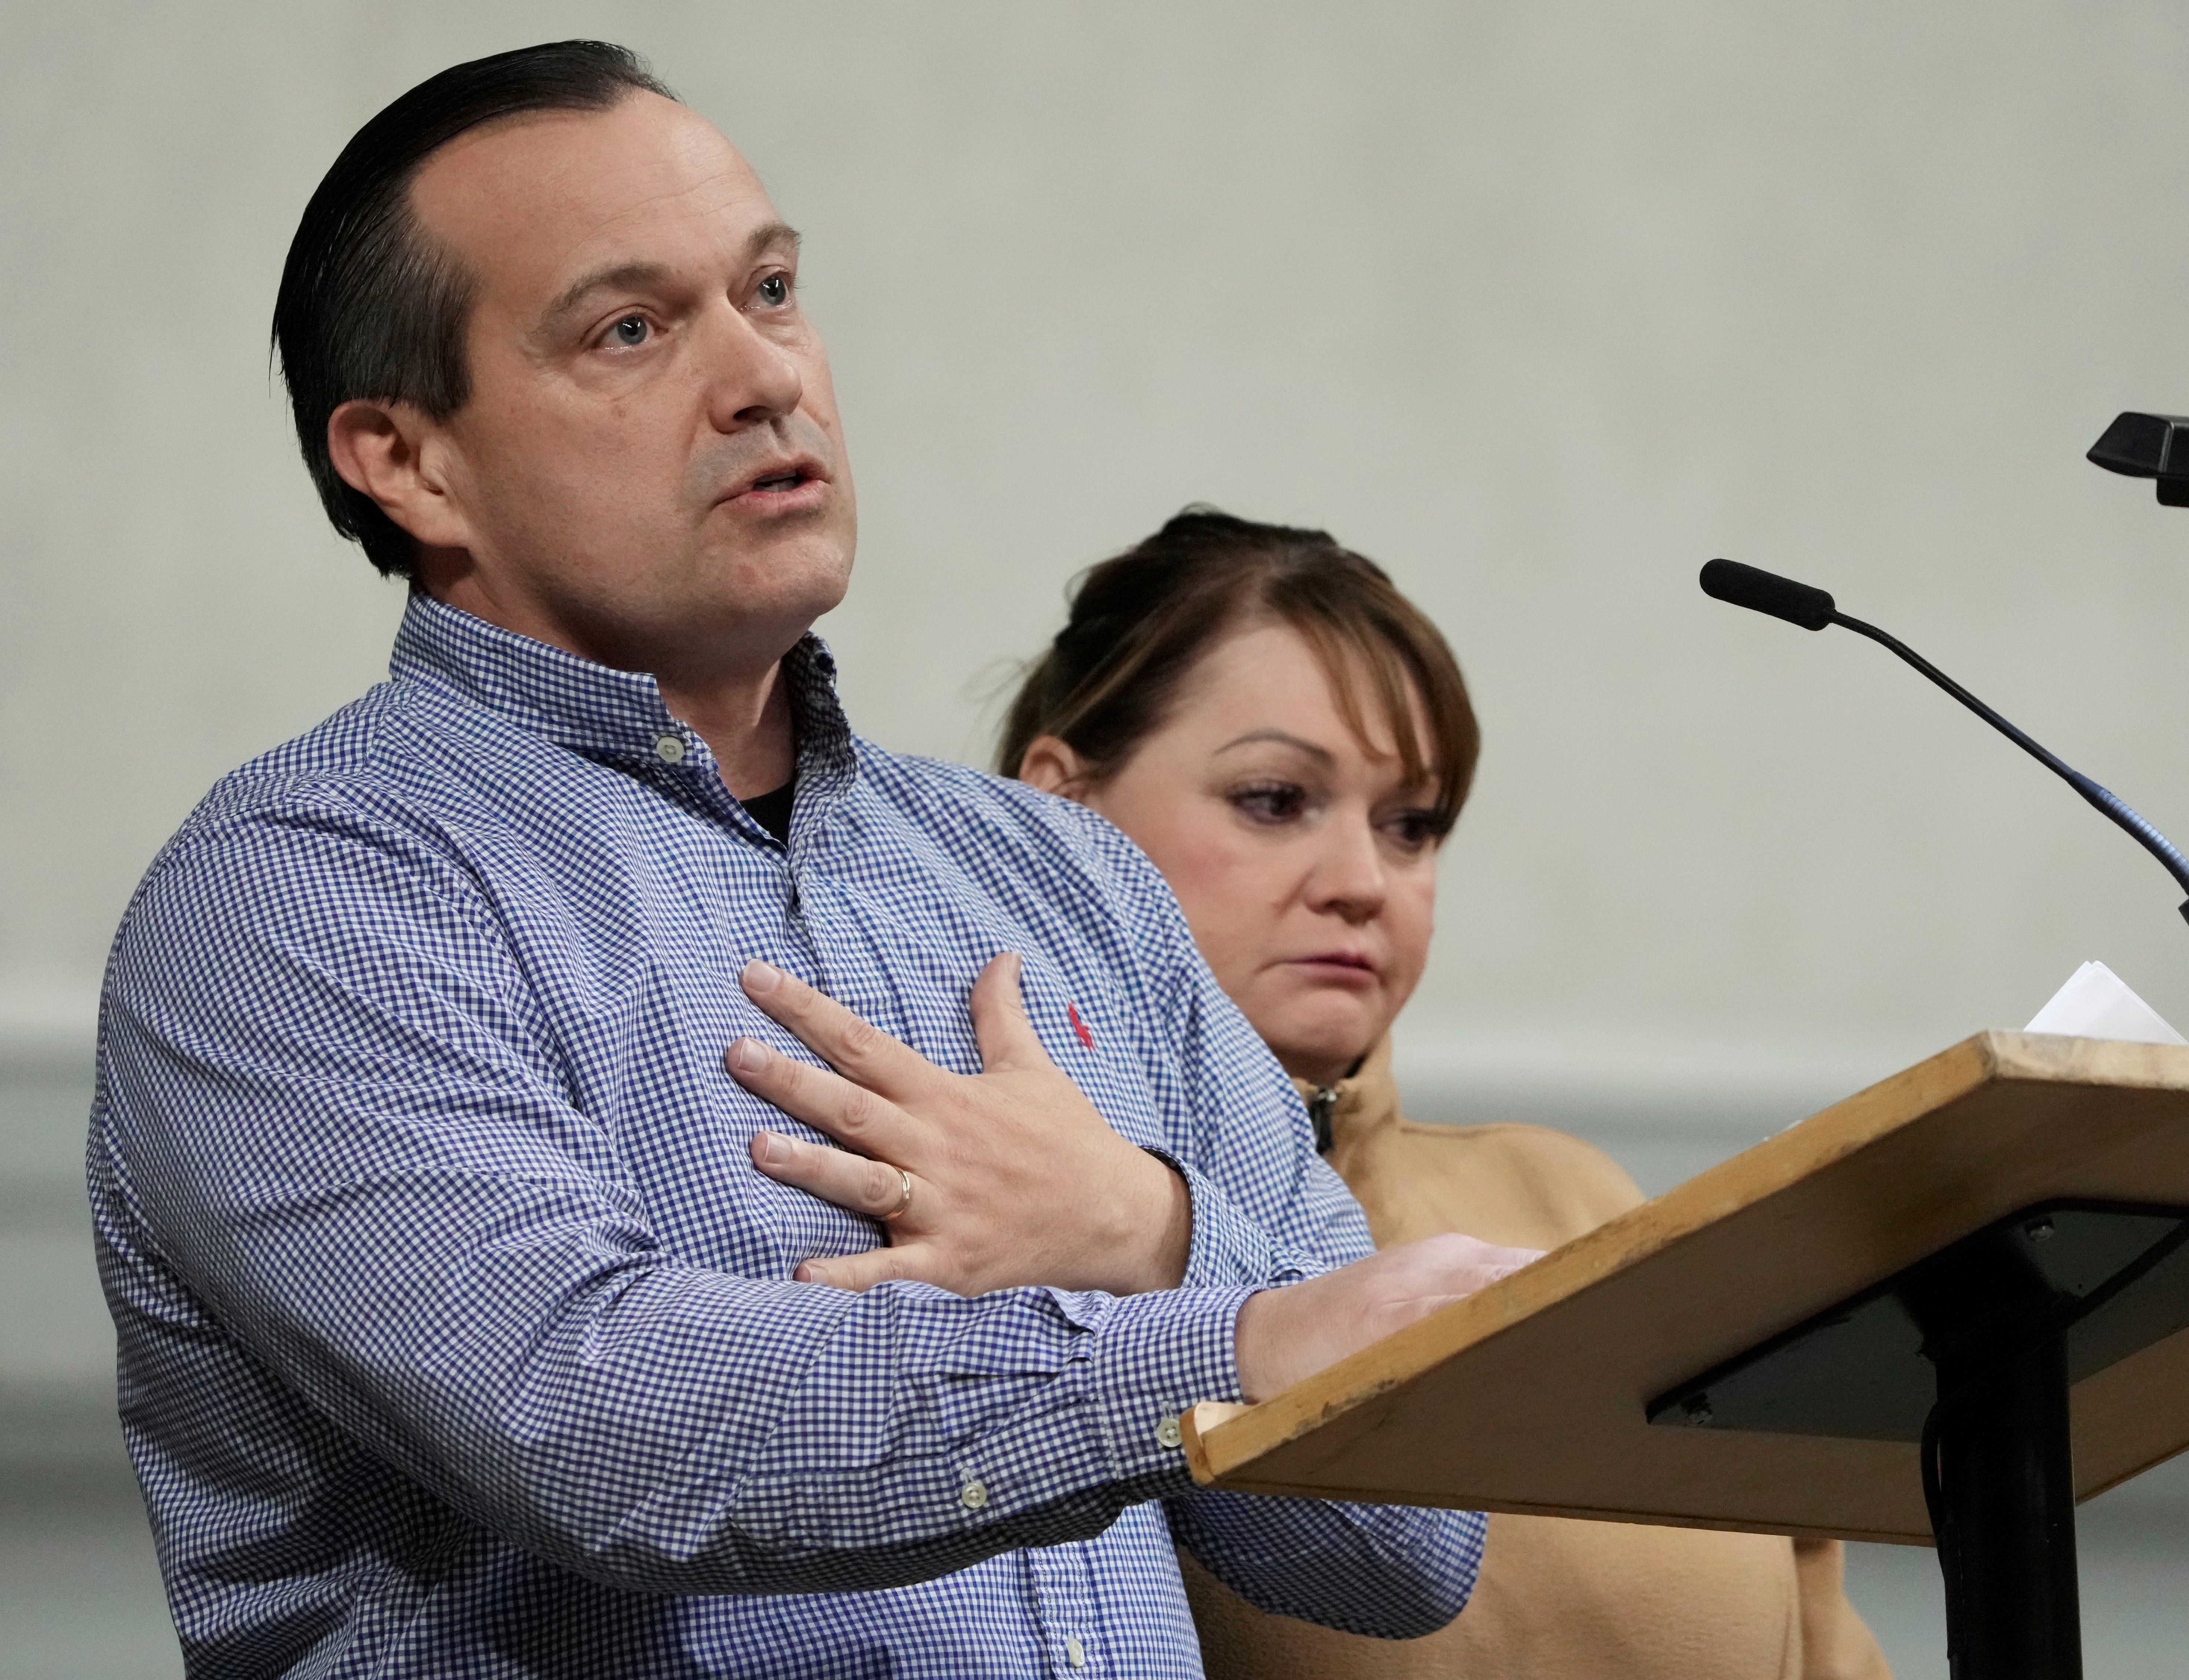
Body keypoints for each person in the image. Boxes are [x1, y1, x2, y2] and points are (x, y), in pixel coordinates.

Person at [90, 43, 1529, 1679]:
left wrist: (1155, 1236)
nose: (765, 378)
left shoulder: (1059, 876)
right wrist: (1239, 1340)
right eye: (631, 329)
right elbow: (605, 1422)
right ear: (410, 462)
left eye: (770, 290)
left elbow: (1408, 1546)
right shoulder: (304, 897)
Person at [1004, 508, 1894, 1680]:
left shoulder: (1572, 1197)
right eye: (1275, 799)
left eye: (1412, 825)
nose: (1365, 882)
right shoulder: (992, 1235)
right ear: (1061, 811)